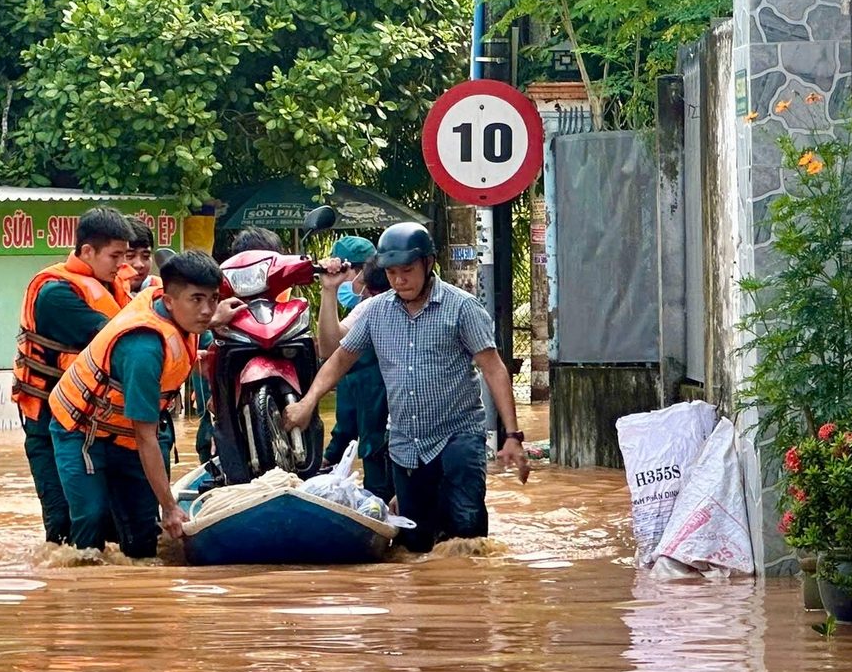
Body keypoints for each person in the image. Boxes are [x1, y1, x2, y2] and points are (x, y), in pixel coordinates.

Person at [283, 222, 524, 552]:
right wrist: (308, 402)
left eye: (407, 271)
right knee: (415, 544)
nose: (399, 280)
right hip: (406, 445)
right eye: (392, 272)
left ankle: (471, 598)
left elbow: (494, 369)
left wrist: (513, 436)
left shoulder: (462, 307)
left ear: (429, 263)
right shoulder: (376, 312)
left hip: (458, 435)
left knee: (468, 537)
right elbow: (339, 359)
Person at [48, 250, 244, 557]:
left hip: (124, 432)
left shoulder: (180, 315)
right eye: (197, 300)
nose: (207, 310)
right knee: (91, 520)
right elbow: (146, 436)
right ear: (169, 302)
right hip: (81, 429)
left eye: (213, 299)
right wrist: (170, 507)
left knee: (143, 536)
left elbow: (197, 320)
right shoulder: (144, 349)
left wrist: (214, 317)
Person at [12, 207, 136, 544]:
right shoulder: (57, 295)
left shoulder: (112, 286)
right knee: (64, 526)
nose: (122, 265)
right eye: (115, 256)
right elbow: (115, 337)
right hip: (49, 426)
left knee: (111, 528)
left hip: (96, 424)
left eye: (125, 255)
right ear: (86, 252)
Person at [319, 242, 392, 498]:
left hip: (392, 443)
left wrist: (331, 454)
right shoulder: (367, 312)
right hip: (381, 444)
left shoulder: (372, 307)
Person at [116, 220, 159, 300]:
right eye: (130, 255)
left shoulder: (161, 292)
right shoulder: (97, 294)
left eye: (146, 256)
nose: (139, 264)